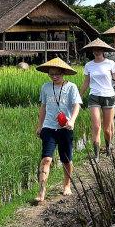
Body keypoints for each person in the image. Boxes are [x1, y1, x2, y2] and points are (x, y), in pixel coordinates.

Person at [80, 38, 115, 161]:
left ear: (104, 50)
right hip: (94, 96)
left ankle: (108, 146)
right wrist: (79, 98)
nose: (97, 51)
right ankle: (96, 155)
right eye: (95, 49)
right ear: (92, 51)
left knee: (106, 129)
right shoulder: (89, 65)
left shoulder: (110, 63)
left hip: (108, 97)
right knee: (96, 126)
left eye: (99, 49)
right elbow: (86, 83)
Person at [35, 57, 82, 204]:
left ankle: (67, 185)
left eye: (57, 74)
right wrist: (40, 126)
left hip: (65, 127)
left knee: (66, 159)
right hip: (49, 127)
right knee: (46, 159)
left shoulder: (71, 87)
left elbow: (76, 105)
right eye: (51, 74)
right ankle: (42, 191)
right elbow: (43, 107)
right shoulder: (46, 87)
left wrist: (72, 120)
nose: (54, 77)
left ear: (63, 73)